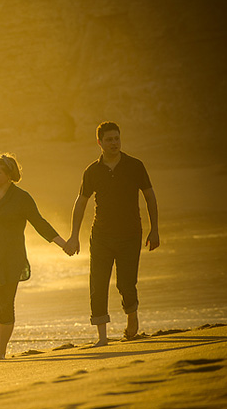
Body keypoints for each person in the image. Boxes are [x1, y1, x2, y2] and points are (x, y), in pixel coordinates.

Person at [0, 154, 70, 361]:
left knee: (5, 305)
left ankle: (1, 352)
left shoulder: (22, 198)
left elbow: (39, 223)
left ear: (9, 175)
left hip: (9, 261)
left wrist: (63, 244)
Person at [65, 122, 159, 346]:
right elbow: (81, 203)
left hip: (130, 234)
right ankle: (102, 337)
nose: (114, 143)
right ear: (100, 143)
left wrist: (155, 229)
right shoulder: (92, 171)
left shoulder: (135, 166)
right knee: (97, 284)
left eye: (117, 138)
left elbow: (150, 197)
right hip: (101, 236)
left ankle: (132, 316)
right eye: (109, 140)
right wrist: (74, 235)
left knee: (126, 283)